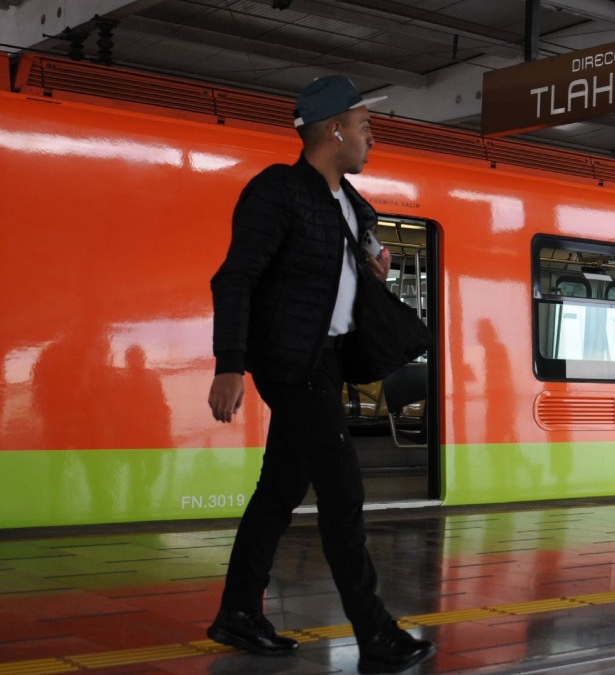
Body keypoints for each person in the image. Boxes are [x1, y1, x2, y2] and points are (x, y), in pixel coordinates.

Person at [207, 75, 436, 674]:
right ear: (333, 130)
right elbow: (235, 278)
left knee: (280, 490)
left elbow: (334, 282)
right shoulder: (278, 191)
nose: (371, 139)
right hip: (292, 362)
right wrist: (230, 364)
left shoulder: (352, 205)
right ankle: (375, 633)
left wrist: (372, 272)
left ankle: (238, 612)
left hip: (327, 359)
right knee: (343, 493)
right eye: (365, 127)